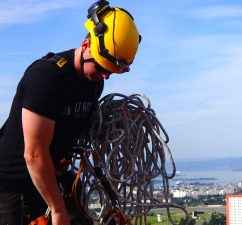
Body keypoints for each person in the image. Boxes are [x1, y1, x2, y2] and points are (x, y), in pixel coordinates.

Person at [0, 0, 141, 224]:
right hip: (13, 186)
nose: (105, 76)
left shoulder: (93, 81)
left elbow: (80, 122)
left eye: (111, 72)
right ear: (86, 45)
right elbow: (34, 155)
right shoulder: (46, 78)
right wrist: (57, 209)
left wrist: (116, 121)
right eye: (102, 67)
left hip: (51, 178)